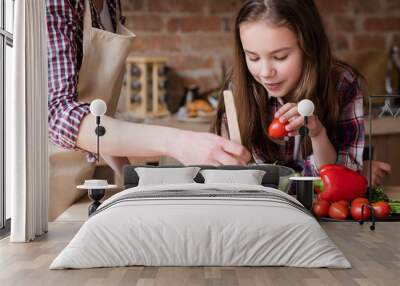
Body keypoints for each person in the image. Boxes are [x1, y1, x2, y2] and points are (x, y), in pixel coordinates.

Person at [47, 0, 251, 178]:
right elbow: (58, 115)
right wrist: (178, 142)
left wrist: (131, 179)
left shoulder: (110, 4)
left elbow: (95, 107)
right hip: (45, 186)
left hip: (81, 177)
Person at [211, 0, 391, 184]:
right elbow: (232, 174)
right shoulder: (237, 88)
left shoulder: (341, 84)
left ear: (309, 47)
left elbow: (337, 177)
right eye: (253, 57)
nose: (266, 73)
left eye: (280, 57)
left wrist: (318, 134)